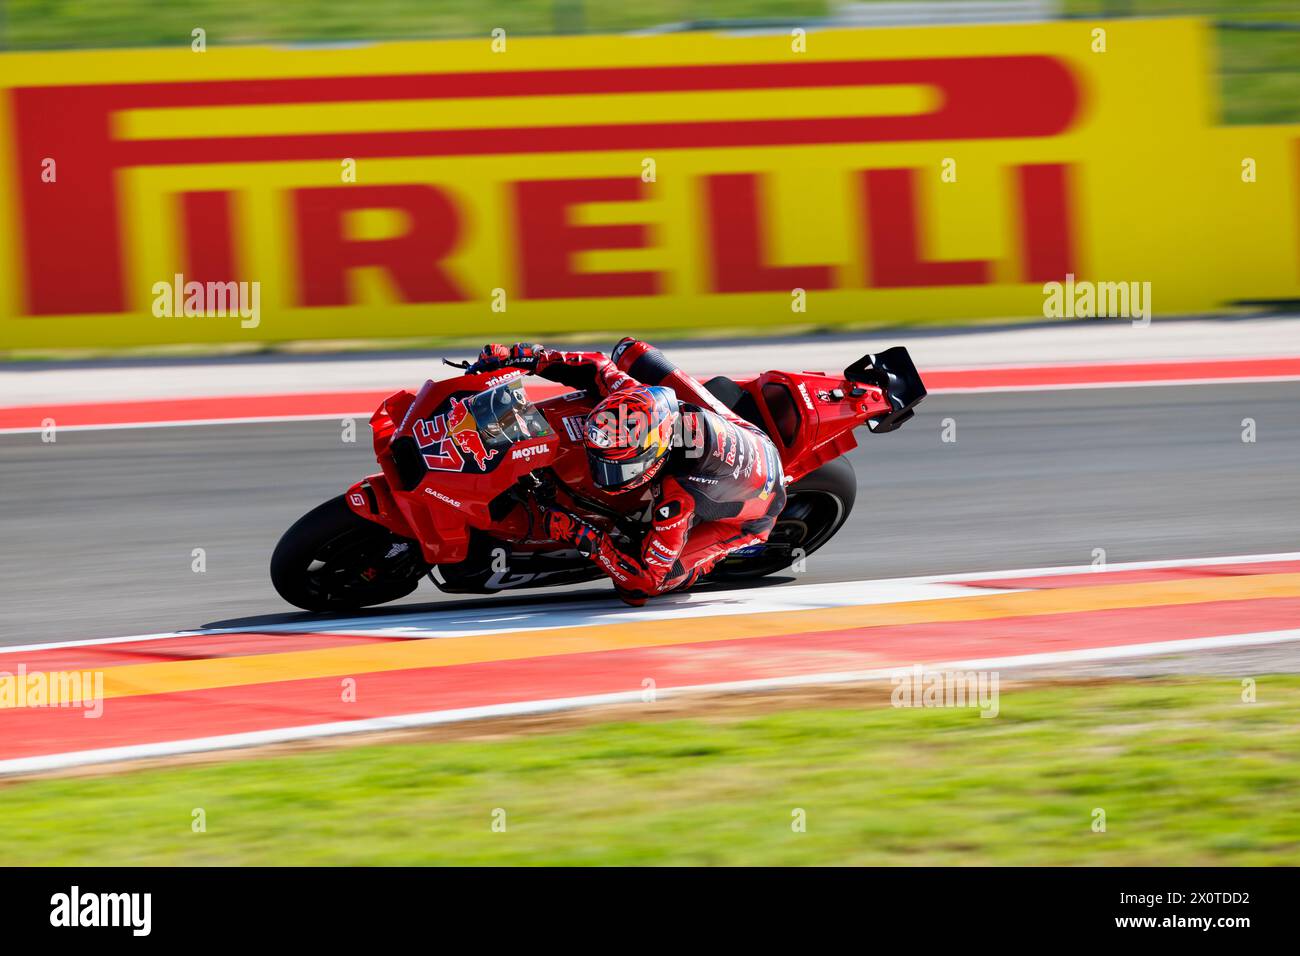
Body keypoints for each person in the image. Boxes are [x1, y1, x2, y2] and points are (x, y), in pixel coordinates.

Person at [470, 339, 787, 605]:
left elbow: (641, 584)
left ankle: (710, 561)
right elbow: (597, 366)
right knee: (629, 351)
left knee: (654, 582)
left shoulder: (678, 501)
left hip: (756, 503)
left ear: (654, 456)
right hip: (739, 431)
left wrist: (581, 533)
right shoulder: (640, 400)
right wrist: (527, 356)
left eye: (617, 466)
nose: (603, 474)